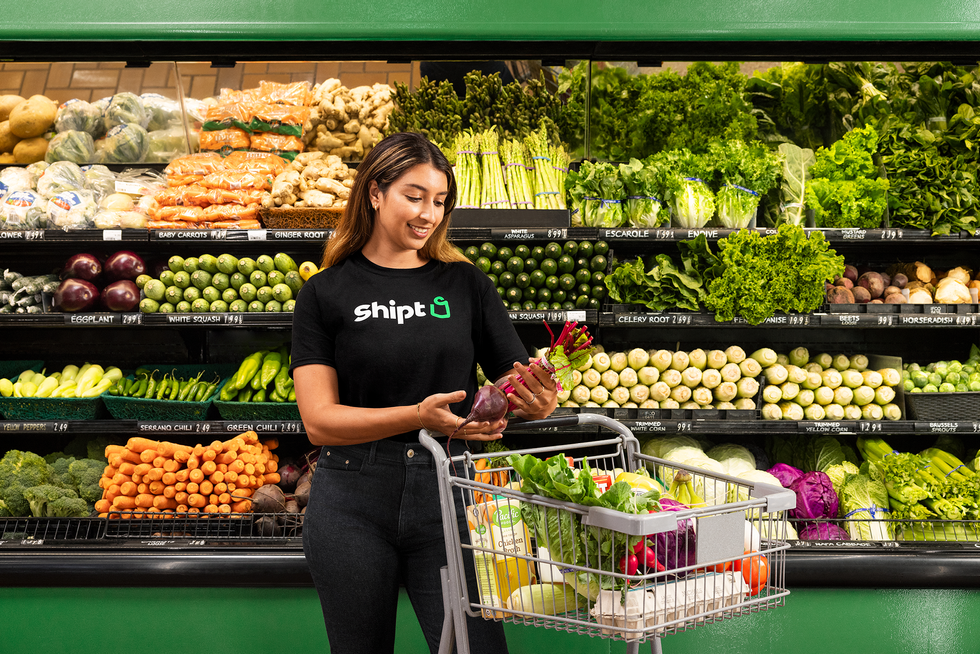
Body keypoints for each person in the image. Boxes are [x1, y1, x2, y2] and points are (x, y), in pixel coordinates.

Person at [290, 131, 559, 654]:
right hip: (351, 498)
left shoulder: (466, 284)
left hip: (451, 494)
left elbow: (515, 379)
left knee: (476, 648)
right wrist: (417, 415)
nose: (428, 214)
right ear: (374, 192)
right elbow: (319, 422)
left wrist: (539, 400)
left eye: (439, 201)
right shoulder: (324, 292)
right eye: (414, 196)